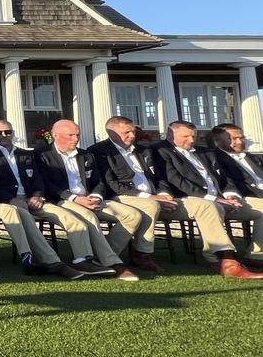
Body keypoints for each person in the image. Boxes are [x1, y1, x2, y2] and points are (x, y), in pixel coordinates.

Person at [151, 120, 263, 278]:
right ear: (170, 135)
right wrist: (214, 199)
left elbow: (225, 179)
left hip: (220, 199)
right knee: (210, 206)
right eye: (185, 136)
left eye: (193, 136)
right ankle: (225, 260)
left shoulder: (205, 153)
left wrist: (231, 195)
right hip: (186, 200)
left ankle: (257, 256)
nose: (191, 140)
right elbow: (176, 181)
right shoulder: (160, 151)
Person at [0, 120, 84, 279]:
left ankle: (84, 259)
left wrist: (38, 194)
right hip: (4, 201)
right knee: (24, 215)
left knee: (65, 215)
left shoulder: (24, 154)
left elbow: (37, 178)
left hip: (30, 198)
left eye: (8, 132)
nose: (4, 135)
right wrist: (11, 199)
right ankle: (50, 262)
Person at [33, 120, 137, 280]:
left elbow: (100, 181)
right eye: (70, 135)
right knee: (88, 216)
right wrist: (75, 198)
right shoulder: (41, 155)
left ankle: (100, 256)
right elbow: (47, 185)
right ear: (55, 135)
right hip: (62, 199)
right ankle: (109, 262)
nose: (75, 138)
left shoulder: (86, 155)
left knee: (132, 215)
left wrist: (96, 196)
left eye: (77, 134)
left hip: (90, 198)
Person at [88, 116, 168, 274]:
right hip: (119, 195)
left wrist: (164, 193)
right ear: (111, 132)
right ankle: (137, 254)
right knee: (149, 206)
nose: (132, 135)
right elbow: (110, 183)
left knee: (154, 204)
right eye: (127, 132)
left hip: (151, 195)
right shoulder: (99, 152)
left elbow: (158, 177)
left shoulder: (143, 150)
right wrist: (148, 197)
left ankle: (137, 254)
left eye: (133, 131)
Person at [210, 124, 263, 250]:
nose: (239, 142)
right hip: (243, 197)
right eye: (232, 139)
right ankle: (257, 254)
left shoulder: (252, 157)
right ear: (218, 141)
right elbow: (231, 183)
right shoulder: (215, 159)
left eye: (242, 137)